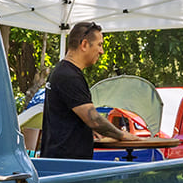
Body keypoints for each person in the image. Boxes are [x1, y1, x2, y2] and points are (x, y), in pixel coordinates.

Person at [39, 21, 129, 159]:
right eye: (99, 45)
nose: (101, 51)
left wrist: (88, 132)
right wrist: (123, 135)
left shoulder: (62, 71)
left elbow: (69, 118)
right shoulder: (68, 76)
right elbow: (93, 119)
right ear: (84, 44)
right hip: (67, 165)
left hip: (60, 161)